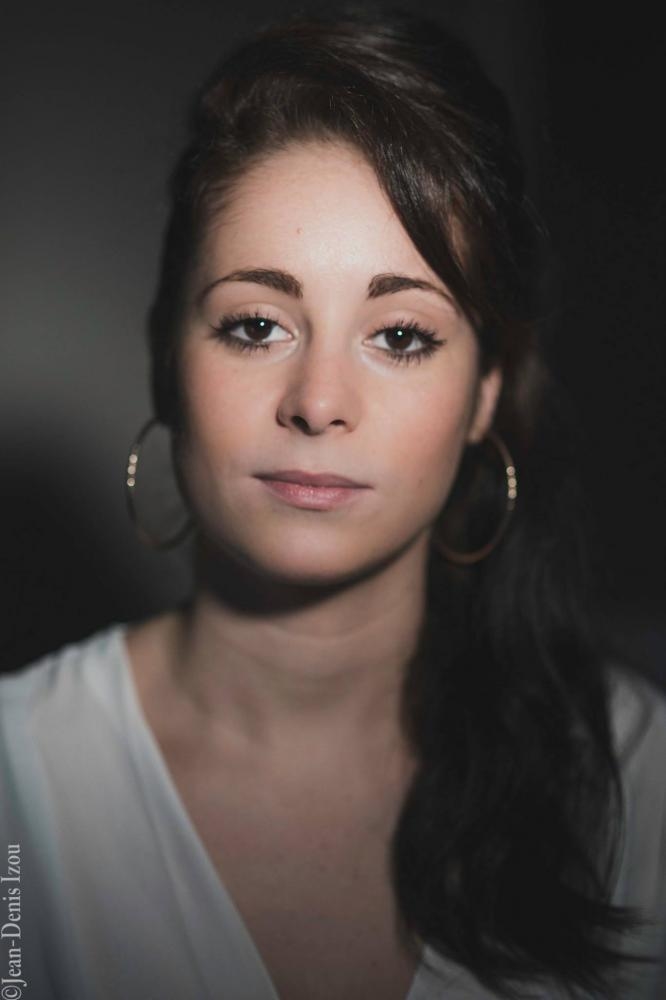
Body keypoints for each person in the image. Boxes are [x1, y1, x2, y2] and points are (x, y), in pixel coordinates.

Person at [1, 4, 664, 999]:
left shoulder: (638, 776)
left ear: (486, 391)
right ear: (168, 359)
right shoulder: (18, 783)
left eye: (400, 336)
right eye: (256, 325)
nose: (317, 403)